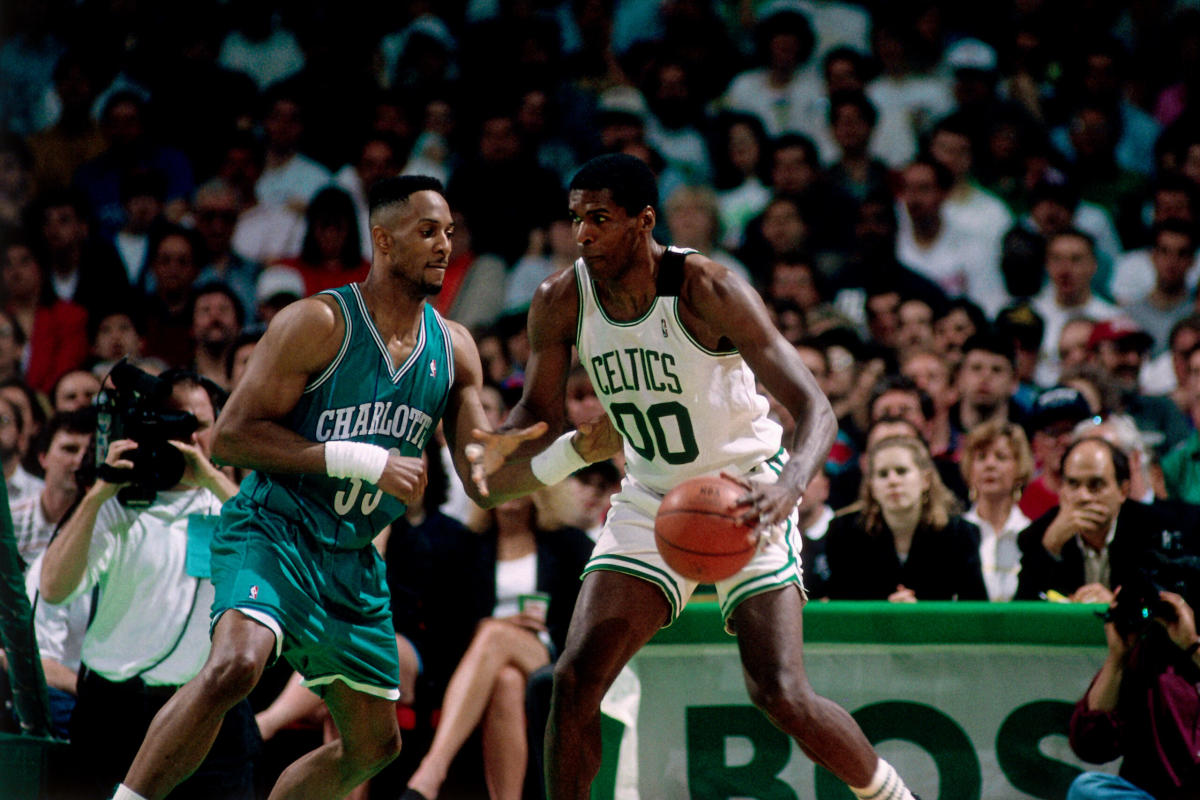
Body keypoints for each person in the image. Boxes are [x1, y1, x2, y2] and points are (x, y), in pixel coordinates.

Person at [94, 175, 586, 800]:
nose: (443, 245)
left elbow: (484, 486)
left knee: (375, 747)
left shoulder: (456, 349)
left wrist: (573, 451)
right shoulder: (317, 323)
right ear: (383, 239)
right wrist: (359, 460)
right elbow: (234, 438)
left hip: (350, 559)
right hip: (275, 527)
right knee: (236, 666)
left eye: (450, 233)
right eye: (427, 231)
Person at [470, 154, 917, 800]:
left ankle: (894, 796)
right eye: (575, 220)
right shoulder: (559, 300)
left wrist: (788, 486)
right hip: (652, 498)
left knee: (780, 691)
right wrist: (499, 443)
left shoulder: (707, 288)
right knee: (572, 680)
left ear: (643, 221)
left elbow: (815, 407)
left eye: (600, 218)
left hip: (744, 495)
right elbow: (534, 418)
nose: (583, 234)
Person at [38, 370, 252, 799]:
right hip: (113, 713)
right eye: (176, 423)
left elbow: (276, 542)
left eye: (200, 425)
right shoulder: (117, 502)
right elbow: (54, 588)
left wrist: (209, 476)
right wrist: (98, 492)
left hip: (206, 708)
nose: (189, 437)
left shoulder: (231, 503)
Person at [402, 492, 594, 800]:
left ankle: (432, 770)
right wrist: (483, 626)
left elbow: (586, 615)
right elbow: (444, 623)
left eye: (518, 476)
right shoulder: (468, 546)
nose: (510, 488)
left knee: (494, 635)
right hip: (483, 664)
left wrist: (523, 629)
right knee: (507, 680)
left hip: (549, 654)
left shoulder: (568, 543)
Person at [1067, 584, 1200, 799]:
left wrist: (1192, 645)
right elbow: (1090, 746)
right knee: (1087, 788)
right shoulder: (1144, 660)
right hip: (1149, 794)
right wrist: (1117, 658)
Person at [1015, 437, 1180, 603]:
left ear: (1123, 490)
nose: (1083, 497)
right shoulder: (1039, 535)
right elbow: (1021, 616)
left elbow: (1167, 609)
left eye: (1096, 484)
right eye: (1073, 484)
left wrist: (1119, 606)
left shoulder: (1154, 531)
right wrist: (1050, 549)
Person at [825, 435, 987, 601]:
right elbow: (838, 605)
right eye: (883, 474)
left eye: (902, 471)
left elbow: (977, 608)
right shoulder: (843, 533)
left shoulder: (959, 533)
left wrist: (917, 615)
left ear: (925, 480)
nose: (893, 481)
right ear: (872, 486)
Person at [960, 420, 1034, 602]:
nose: (990, 465)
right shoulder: (955, 535)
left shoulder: (1032, 535)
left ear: (1019, 468)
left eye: (1001, 457)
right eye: (981, 457)